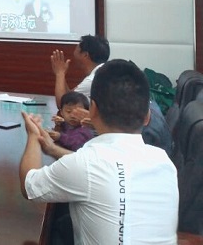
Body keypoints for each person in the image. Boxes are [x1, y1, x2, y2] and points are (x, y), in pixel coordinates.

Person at [20, 59, 178, 245]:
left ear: (92, 110)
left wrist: (34, 135)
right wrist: (53, 149)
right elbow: (106, 169)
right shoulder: (165, 163)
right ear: (147, 117)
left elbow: (28, 185)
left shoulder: (87, 163)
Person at [50, 34, 109, 108]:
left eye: (76, 48)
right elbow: (69, 96)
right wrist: (62, 74)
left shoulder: (92, 80)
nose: (74, 52)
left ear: (85, 55)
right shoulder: (103, 71)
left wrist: (60, 73)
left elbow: (63, 105)